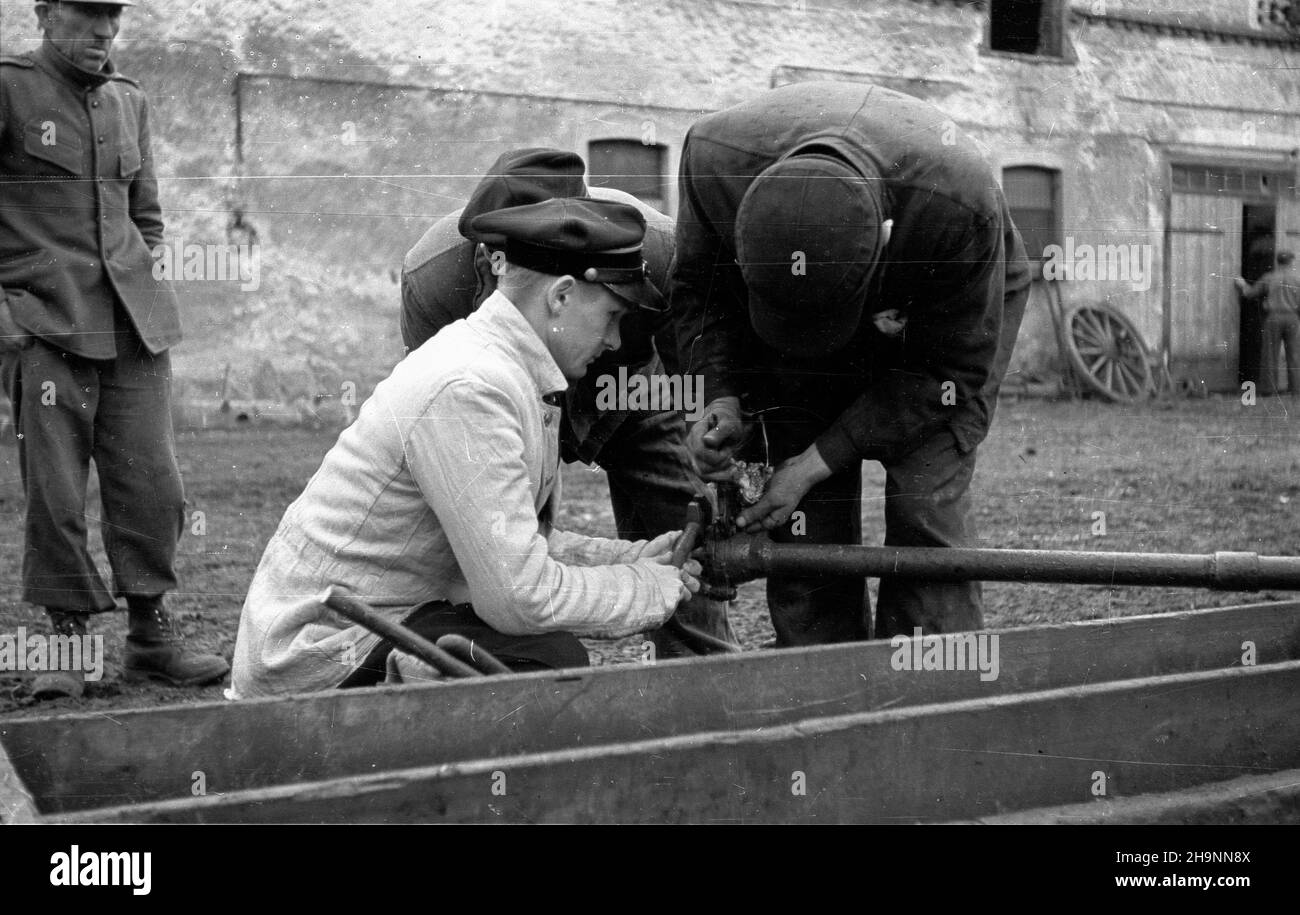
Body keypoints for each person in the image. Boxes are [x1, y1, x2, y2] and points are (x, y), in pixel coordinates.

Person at [230, 198, 703, 697]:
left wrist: (628, 560)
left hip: (381, 620)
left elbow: (510, 544)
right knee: (540, 664)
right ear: (561, 296)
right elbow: (519, 597)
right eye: (611, 315)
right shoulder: (471, 386)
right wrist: (648, 590)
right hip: (314, 655)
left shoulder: (507, 368)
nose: (613, 340)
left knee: (540, 655)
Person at [669, 82, 1031, 645]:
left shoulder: (961, 205)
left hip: (937, 328)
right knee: (798, 511)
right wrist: (721, 394)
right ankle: (823, 682)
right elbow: (698, 288)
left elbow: (947, 380)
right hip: (802, 324)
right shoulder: (715, 162)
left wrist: (816, 460)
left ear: (886, 240)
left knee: (923, 499)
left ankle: (931, 689)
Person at [400, 148, 737, 657]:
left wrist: (703, 423)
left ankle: (702, 670)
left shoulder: (659, 249)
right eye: (498, 264)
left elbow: (695, 350)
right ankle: (485, 652)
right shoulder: (431, 281)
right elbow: (443, 427)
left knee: (678, 528)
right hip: (509, 398)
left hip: (630, 393)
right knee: (499, 536)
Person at [0, 0, 228, 698]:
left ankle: (150, 635)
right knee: (57, 494)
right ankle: (66, 646)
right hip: (45, 325)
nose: (106, 31)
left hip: (134, 331)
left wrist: (138, 277)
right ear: (44, 14)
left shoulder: (129, 100)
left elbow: (146, 215)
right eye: (89, 15)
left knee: (153, 487)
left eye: (114, 18)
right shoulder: (9, 89)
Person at [1237, 251, 1299, 395]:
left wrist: (1241, 284)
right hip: (1292, 318)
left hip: (1273, 317)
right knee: (1295, 355)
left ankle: (1268, 389)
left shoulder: (1269, 278)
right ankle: (1296, 390)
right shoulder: (1298, 279)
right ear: (1291, 262)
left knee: (1270, 355)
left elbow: (1249, 293)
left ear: (1277, 262)